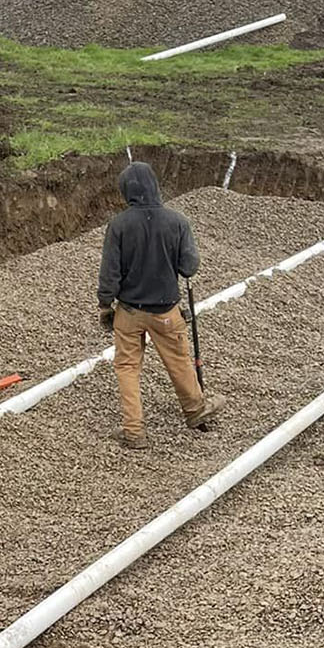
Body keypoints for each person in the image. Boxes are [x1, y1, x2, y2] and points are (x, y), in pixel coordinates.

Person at [97, 163, 225, 452]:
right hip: (167, 311)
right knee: (179, 361)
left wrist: (105, 304)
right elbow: (189, 266)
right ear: (155, 186)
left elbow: (110, 273)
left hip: (128, 312)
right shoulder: (177, 222)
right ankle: (195, 410)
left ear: (126, 190)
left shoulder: (118, 225)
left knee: (128, 368)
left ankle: (134, 432)